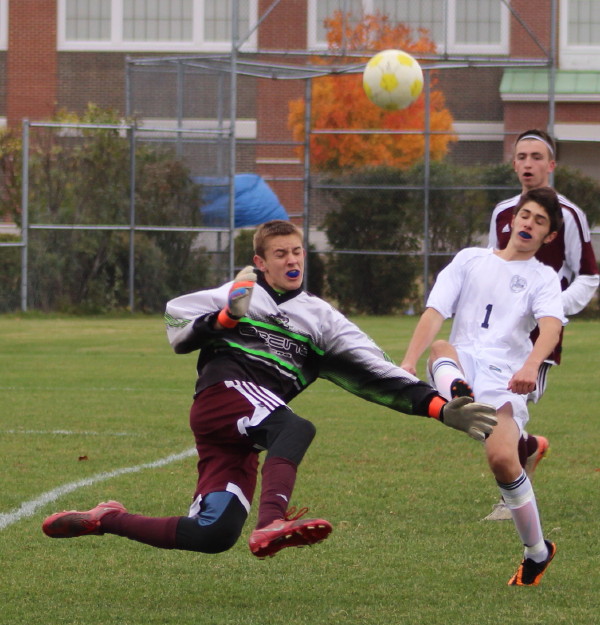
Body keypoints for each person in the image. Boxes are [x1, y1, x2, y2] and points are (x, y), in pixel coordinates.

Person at [42, 220, 497, 559]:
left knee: (213, 533)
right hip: (223, 397)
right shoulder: (240, 292)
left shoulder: (323, 320)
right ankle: (272, 521)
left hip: (244, 428)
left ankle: (107, 519)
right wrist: (227, 317)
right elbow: (177, 322)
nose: (292, 260)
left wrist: (441, 409)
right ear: (261, 262)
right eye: (280, 254)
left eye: (297, 252)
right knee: (295, 428)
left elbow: (378, 373)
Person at [401, 187, 566, 586]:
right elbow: (435, 311)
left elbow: (551, 327)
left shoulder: (543, 277)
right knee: (441, 348)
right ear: (513, 218)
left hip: (504, 377)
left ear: (549, 236)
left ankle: (538, 551)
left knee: (503, 460)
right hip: (460, 362)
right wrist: (407, 362)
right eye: (525, 215)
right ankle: (460, 395)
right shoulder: (470, 259)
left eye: (539, 221)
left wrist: (530, 366)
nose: (528, 224)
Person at [486, 129, 599, 521]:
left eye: (536, 157)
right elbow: (493, 265)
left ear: (551, 165)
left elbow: (589, 276)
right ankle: (529, 448)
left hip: (538, 337)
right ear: (513, 163)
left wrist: (550, 310)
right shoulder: (502, 213)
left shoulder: (568, 215)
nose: (528, 164)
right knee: (482, 409)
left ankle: (512, 499)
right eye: (521, 156)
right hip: (497, 331)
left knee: (507, 409)